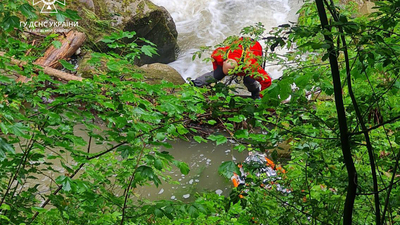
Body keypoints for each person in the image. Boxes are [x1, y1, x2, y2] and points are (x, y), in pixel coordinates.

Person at [191, 37, 272, 99]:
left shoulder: (250, 65)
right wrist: (216, 73)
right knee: (217, 74)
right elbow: (214, 58)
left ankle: (256, 94)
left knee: (249, 80)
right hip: (238, 45)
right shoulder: (220, 55)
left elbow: (267, 80)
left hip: (254, 47)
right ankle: (195, 84)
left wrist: (263, 96)